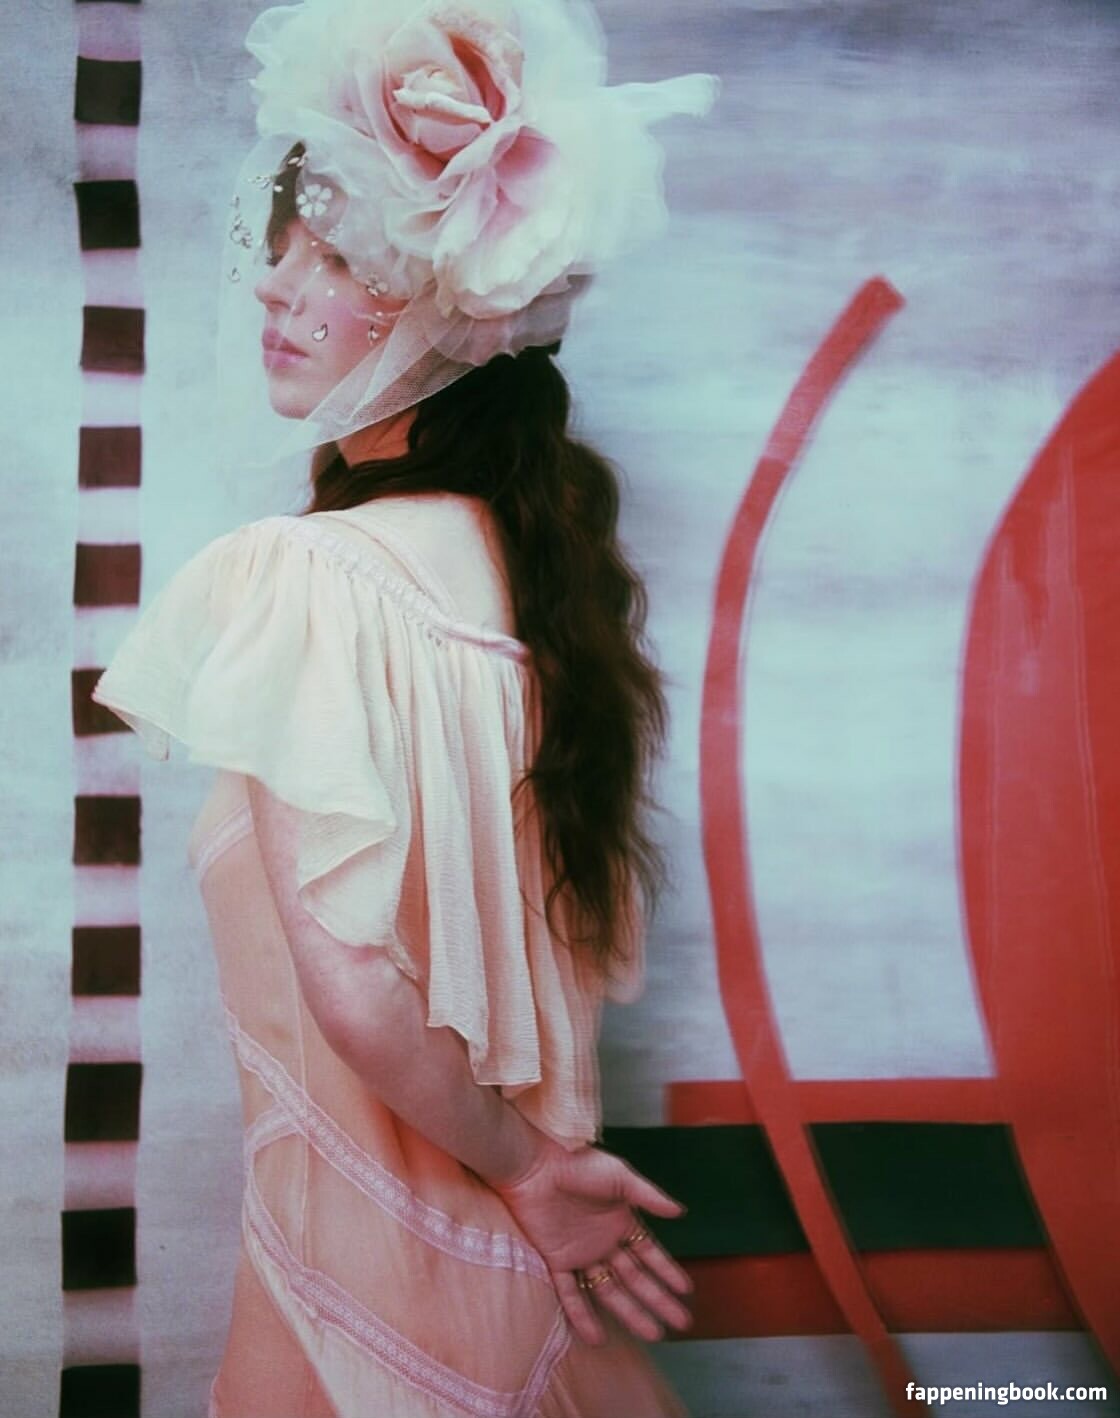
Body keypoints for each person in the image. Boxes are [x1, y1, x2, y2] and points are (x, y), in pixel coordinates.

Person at [93, 1, 718, 1413]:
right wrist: (538, 1178)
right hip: (519, 1296)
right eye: (285, 244)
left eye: (340, 256)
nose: (276, 287)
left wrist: (530, 1172)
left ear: (441, 310)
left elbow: (358, 987)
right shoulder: (537, 592)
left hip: (372, 1302)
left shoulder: (308, 579)